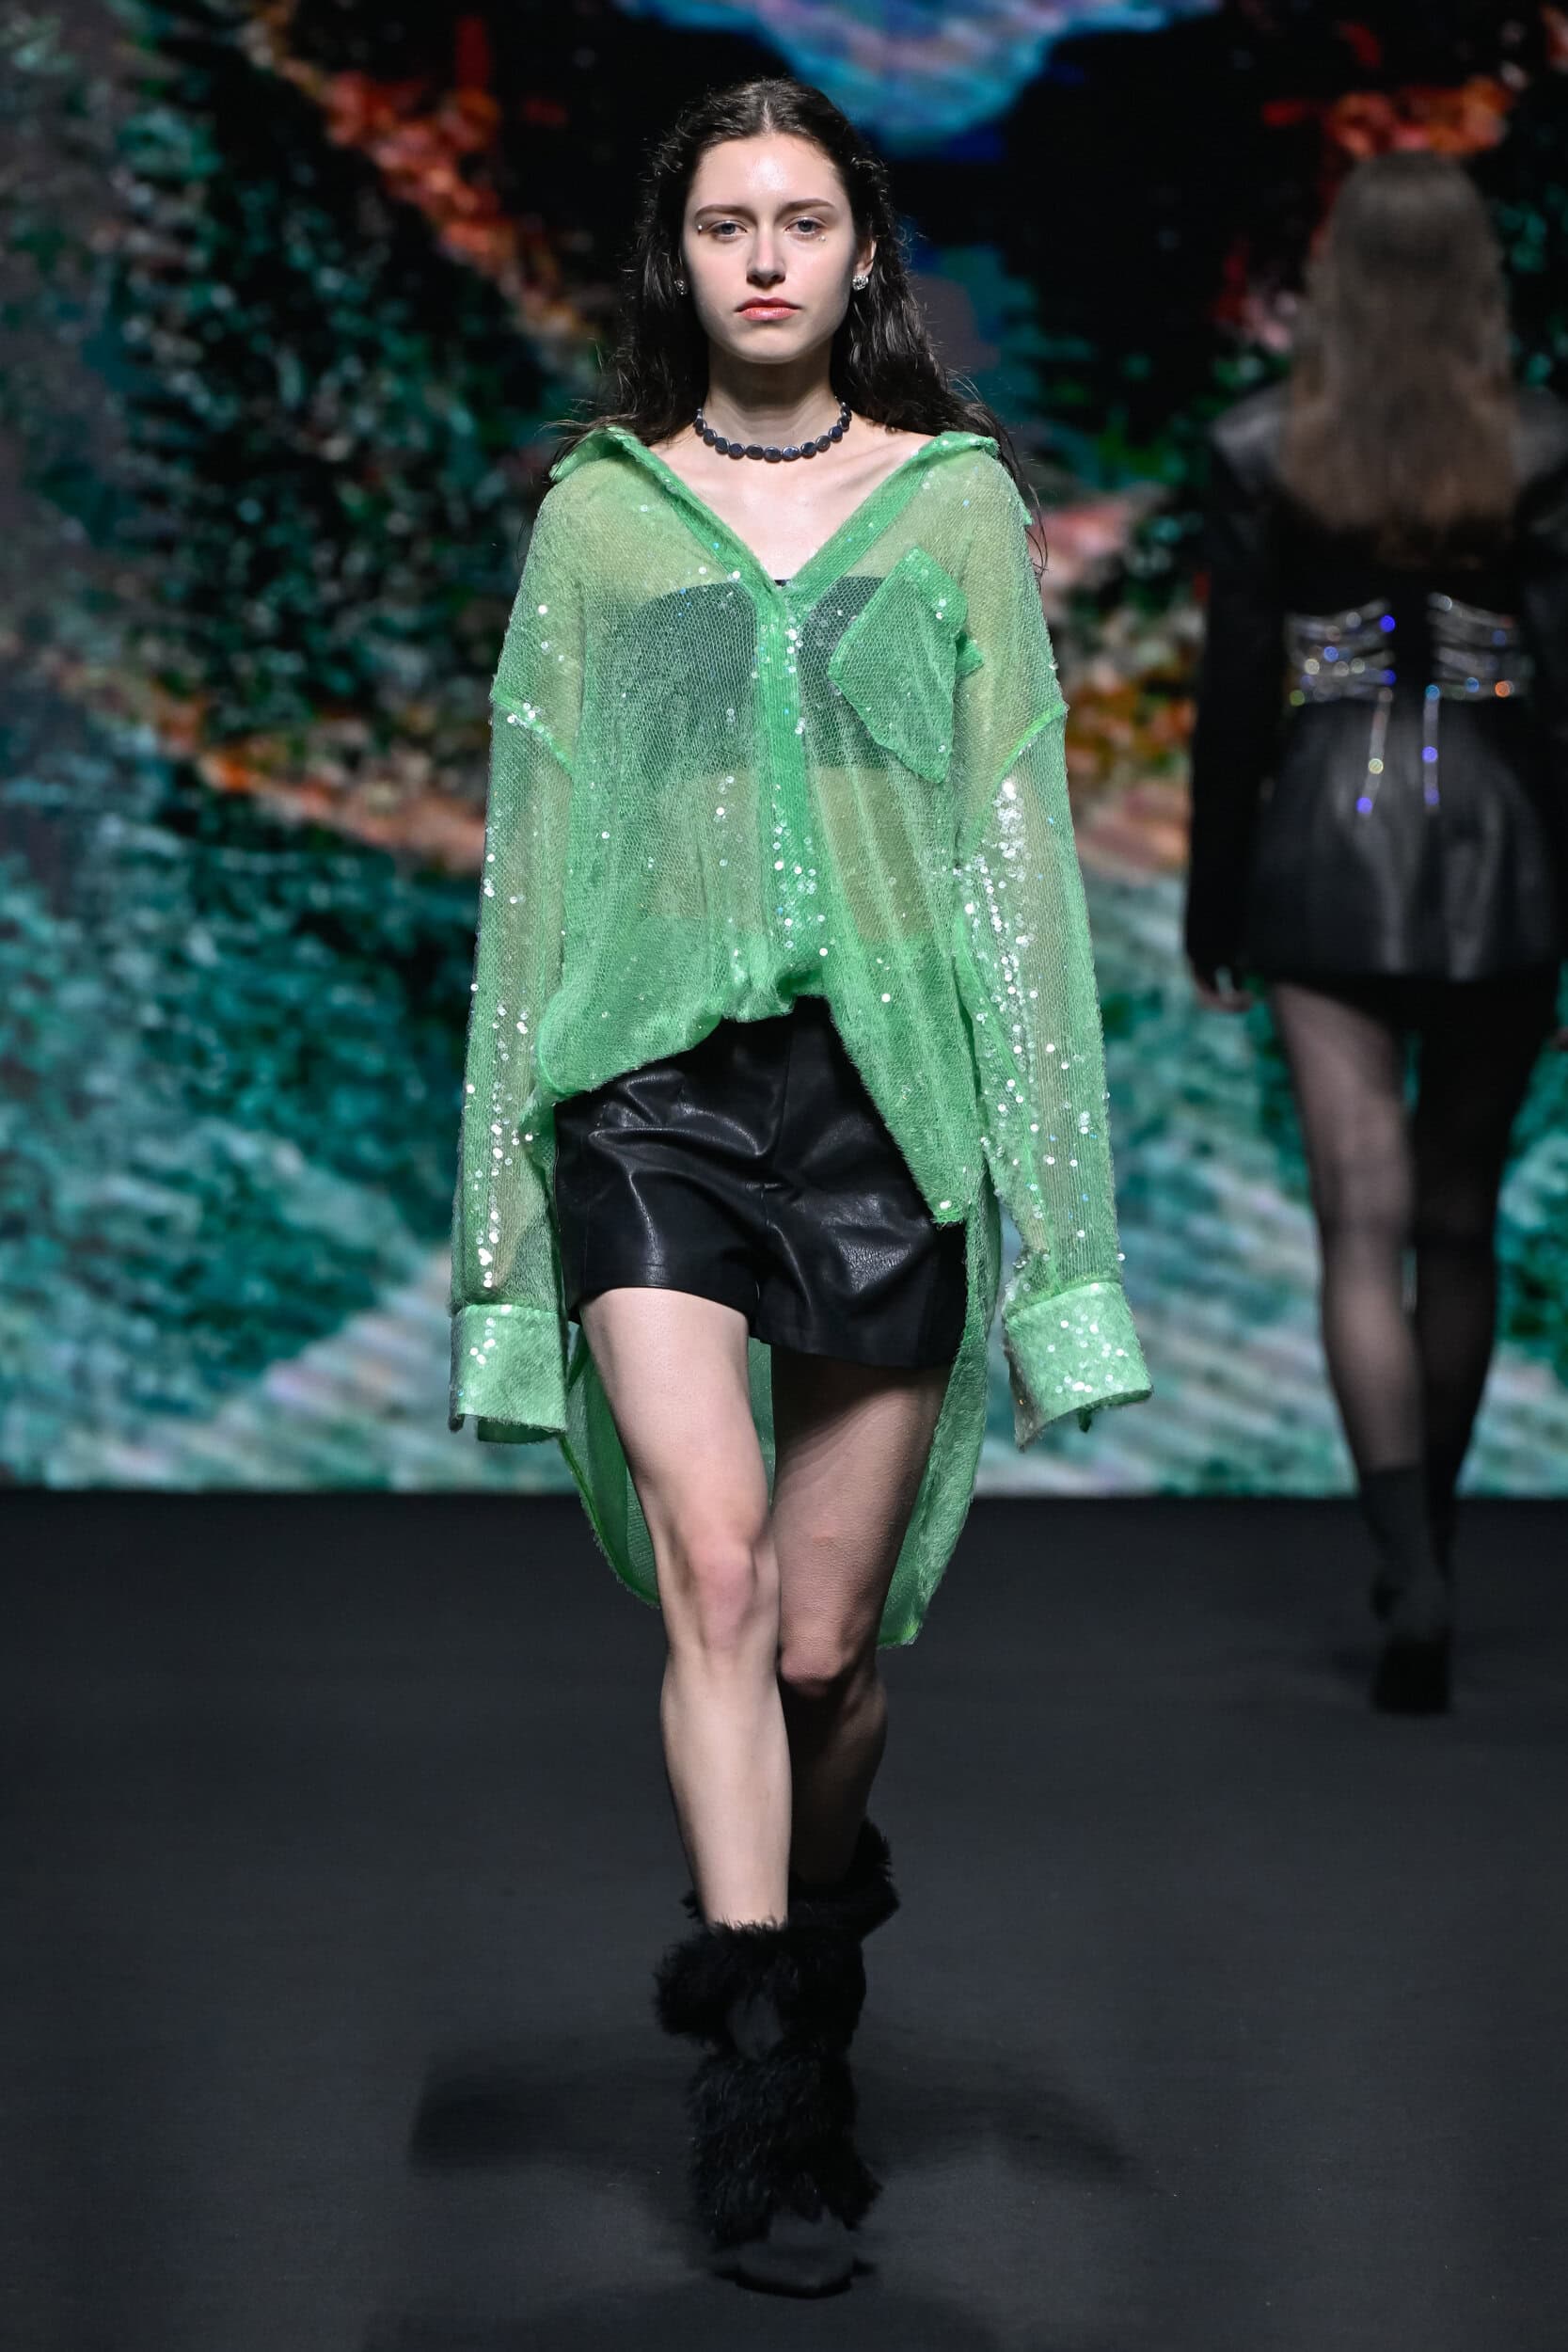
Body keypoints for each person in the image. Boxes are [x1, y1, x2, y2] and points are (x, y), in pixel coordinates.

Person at [449, 75, 1148, 2294]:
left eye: (805, 220)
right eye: (726, 222)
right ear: (680, 257)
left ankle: (814, 1944)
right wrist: (500, 1248)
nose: (765, 256)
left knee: (830, 1655)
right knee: (723, 1573)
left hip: (884, 1107)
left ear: (864, 257)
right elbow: (534, 868)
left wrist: (1066, 1251)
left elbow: (1019, 867)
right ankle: (753, 2096)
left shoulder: (955, 510)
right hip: (644, 1091)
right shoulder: (597, 518)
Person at [1186, 151, 1568, 1717]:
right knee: (1457, 1222)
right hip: (1502, 841)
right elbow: (1564, 695)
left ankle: (1407, 1565)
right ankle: (1441, 1558)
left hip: (1322, 843)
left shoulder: (1258, 444)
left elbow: (1234, 698)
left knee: (1359, 1220)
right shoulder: (1544, 443)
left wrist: (1215, 903)